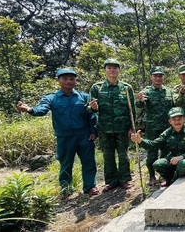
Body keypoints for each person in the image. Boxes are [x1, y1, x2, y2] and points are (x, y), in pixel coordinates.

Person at [16, 68, 99, 198]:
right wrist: (30, 109)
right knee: (66, 164)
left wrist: (94, 131)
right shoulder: (51, 98)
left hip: (84, 136)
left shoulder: (83, 97)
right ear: (58, 80)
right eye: (65, 79)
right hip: (64, 137)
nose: (68, 81)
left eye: (71, 79)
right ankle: (66, 189)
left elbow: (91, 115)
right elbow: (42, 109)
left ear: (75, 80)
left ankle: (90, 187)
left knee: (89, 162)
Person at [89, 58, 135, 191]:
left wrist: (132, 127)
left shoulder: (126, 88)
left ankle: (124, 179)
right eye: (109, 67)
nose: (112, 70)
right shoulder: (97, 87)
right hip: (105, 129)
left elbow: (131, 109)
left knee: (123, 155)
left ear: (119, 70)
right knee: (108, 156)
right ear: (105, 70)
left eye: (115, 67)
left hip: (122, 129)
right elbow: (90, 109)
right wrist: (92, 107)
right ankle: (111, 181)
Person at [130, 107, 185, 187]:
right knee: (158, 164)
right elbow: (153, 145)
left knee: (182, 164)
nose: (177, 122)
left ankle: (173, 181)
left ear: (184, 119)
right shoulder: (167, 133)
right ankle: (169, 179)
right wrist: (140, 140)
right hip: (173, 160)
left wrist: (182, 157)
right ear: (170, 121)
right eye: (174, 119)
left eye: (179, 119)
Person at [135, 66, 174, 185]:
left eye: (160, 75)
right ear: (151, 77)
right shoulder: (146, 91)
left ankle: (164, 174)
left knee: (166, 152)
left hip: (167, 127)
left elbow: (173, 107)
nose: (158, 78)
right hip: (152, 128)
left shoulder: (168, 91)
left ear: (163, 77)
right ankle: (152, 176)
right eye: (155, 75)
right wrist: (140, 100)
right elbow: (139, 106)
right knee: (152, 152)